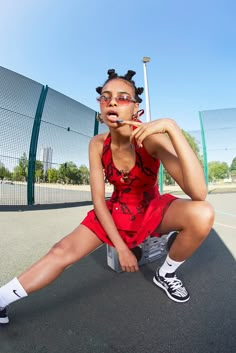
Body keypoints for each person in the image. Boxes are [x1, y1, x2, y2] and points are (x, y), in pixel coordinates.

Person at [0, 69, 214, 325]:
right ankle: (1, 300)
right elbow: (99, 201)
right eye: (106, 97)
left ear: (137, 110)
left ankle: (166, 274)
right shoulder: (96, 144)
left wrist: (172, 128)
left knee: (203, 212)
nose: (112, 102)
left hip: (151, 207)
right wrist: (121, 249)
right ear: (101, 109)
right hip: (115, 209)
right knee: (60, 251)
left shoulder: (152, 140)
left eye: (123, 98)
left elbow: (198, 193)